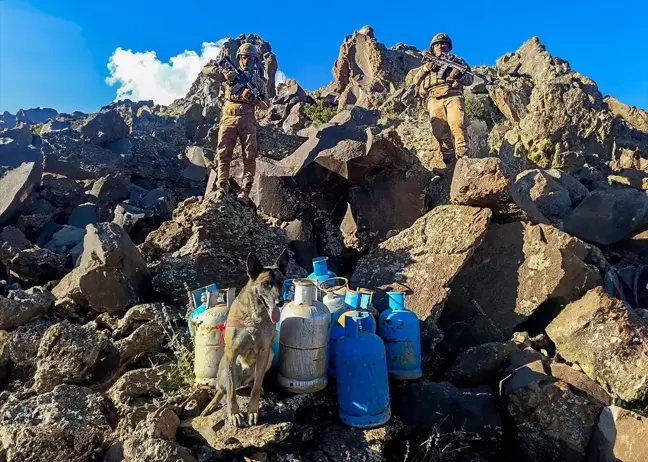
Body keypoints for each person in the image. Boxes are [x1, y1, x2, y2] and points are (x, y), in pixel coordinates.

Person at [202, 42, 269, 204]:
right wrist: (223, 73)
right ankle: (222, 186)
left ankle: (245, 192)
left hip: (248, 118)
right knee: (223, 153)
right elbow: (206, 70)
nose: (248, 61)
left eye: (251, 58)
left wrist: (253, 98)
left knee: (249, 155)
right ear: (239, 58)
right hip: (228, 116)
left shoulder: (259, 83)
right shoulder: (230, 73)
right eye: (245, 57)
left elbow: (266, 105)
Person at [415, 33, 473, 159]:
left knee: (457, 123)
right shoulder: (427, 63)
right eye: (437, 44)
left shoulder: (458, 62)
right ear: (432, 48)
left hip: (453, 94)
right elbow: (415, 80)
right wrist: (426, 68)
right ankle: (449, 161)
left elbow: (470, 80)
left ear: (449, 46)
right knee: (439, 131)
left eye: (443, 44)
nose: (440, 46)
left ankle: (463, 156)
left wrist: (459, 76)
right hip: (434, 97)